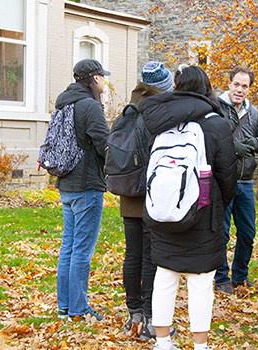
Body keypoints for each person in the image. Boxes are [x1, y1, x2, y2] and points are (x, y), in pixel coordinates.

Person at [139, 65, 237, 350]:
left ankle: (163, 341)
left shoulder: (159, 122)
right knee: (201, 283)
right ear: (206, 87)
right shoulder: (215, 123)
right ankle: (200, 345)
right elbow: (228, 174)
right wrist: (218, 205)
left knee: (165, 277)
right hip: (202, 215)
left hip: (162, 211)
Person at [119, 61, 174, 339]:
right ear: (163, 87)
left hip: (128, 193)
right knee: (151, 258)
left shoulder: (129, 108)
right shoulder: (159, 113)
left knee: (132, 255)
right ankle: (152, 318)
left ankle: (134, 314)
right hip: (152, 195)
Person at [55, 59, 110, 321]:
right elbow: (104, 145)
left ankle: (65, 306)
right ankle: (78, 309)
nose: (104, 82)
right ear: (94, 79)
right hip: (87, 186)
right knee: (81, 250)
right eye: (102, 77)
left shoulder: (64, 102)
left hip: (66, 184)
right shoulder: (90, 106)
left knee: (68, 247)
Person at [215, 66, 258, 294]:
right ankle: (221, 278)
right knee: (222, 233)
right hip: (223, 179)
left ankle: (241, 275)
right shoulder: (216, 107)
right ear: (229, 83)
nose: (240, 90)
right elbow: (211, 137)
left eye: (245, 86)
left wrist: (252, 144)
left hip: (245, 180)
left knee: (248, 232)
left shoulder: (254, 113)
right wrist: (232, 146)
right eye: (237, 84)